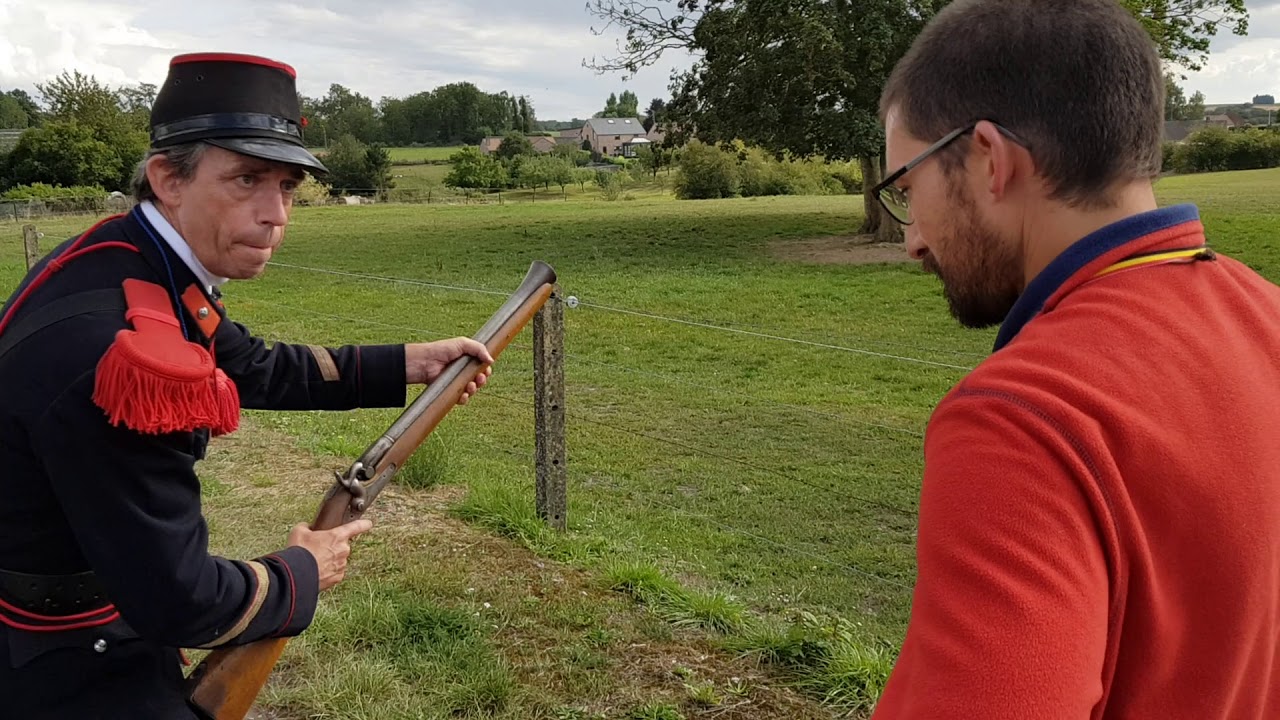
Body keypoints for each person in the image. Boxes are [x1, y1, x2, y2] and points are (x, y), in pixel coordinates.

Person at [0, 53, 494, 718]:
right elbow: (183, 601)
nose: (277, 214)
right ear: (166, 179)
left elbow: (251, 364)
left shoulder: (132, 258)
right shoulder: (123, 351)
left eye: (287, 186)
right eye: (247, 179)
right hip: (61, 653)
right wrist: (301, 573)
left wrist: (412, 361)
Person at [869, 1, 1280, 717]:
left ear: (990, 160)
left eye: (909, 190)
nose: (914, 241)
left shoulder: (1023, 421)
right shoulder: (1268, 318)